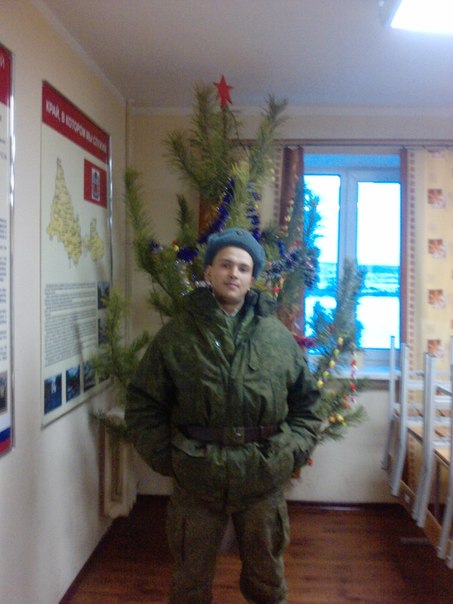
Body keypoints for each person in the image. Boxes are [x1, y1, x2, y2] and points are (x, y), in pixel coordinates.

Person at [125, 227, 323, 604]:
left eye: (244, 268)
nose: (234, 274)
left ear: (252, 278)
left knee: (267, 580)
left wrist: (289, 452)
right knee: (190, 582)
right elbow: (143, 404)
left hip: (262, 473)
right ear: (209, 272)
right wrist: (171, 458)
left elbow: (307, 405)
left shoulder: (276, 338)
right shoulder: (178, 336)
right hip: (198, 475)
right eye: (225, 265)